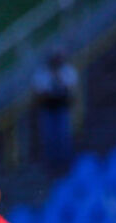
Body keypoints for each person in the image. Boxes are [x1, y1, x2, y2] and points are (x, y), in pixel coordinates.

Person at [31, 48, 78, 178]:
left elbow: (70, 89)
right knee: (49, 138)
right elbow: (40, 92)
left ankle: (66, 166)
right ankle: (51, 166)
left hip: (62, 108)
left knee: (64, 136)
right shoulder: (42, 74)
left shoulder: (67, 72)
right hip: (48, 109)